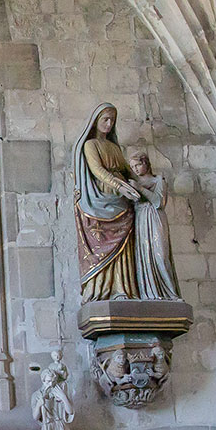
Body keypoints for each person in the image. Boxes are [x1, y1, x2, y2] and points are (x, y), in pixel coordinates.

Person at [74, 102, 143, 303]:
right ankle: (101, 290)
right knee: (102, 243)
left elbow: (125, 168)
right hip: (101, 198)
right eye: (105, 119)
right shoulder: (90, 145)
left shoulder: (113, 147)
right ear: (96, 121)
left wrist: (141, 183)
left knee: (124, 247)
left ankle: (123, 289)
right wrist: (119, 186)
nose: (109, 124)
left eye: (112, 120)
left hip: (122, 199)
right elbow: (97, 171)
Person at [126, 147, 183, 300]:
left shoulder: (159, 180)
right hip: (140, 220)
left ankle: (170, 294)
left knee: (161, 255)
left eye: (137, 165)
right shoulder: (132, 183)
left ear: (146, 163)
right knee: (144, 257)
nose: (135, 169)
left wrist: (140, 189)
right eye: (132, 167)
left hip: (155, 217)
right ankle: (150, 295)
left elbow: (159, 202)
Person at [32, 348, 73, 430]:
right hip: (48, 428)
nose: (49, 384)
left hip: (61, 427)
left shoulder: (59, 393)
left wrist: (63, 397)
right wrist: (40, 404)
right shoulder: (37, 395)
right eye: (47, 381)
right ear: (42, 380)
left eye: (52, 382)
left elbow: (70, 411)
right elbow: (35, 417)